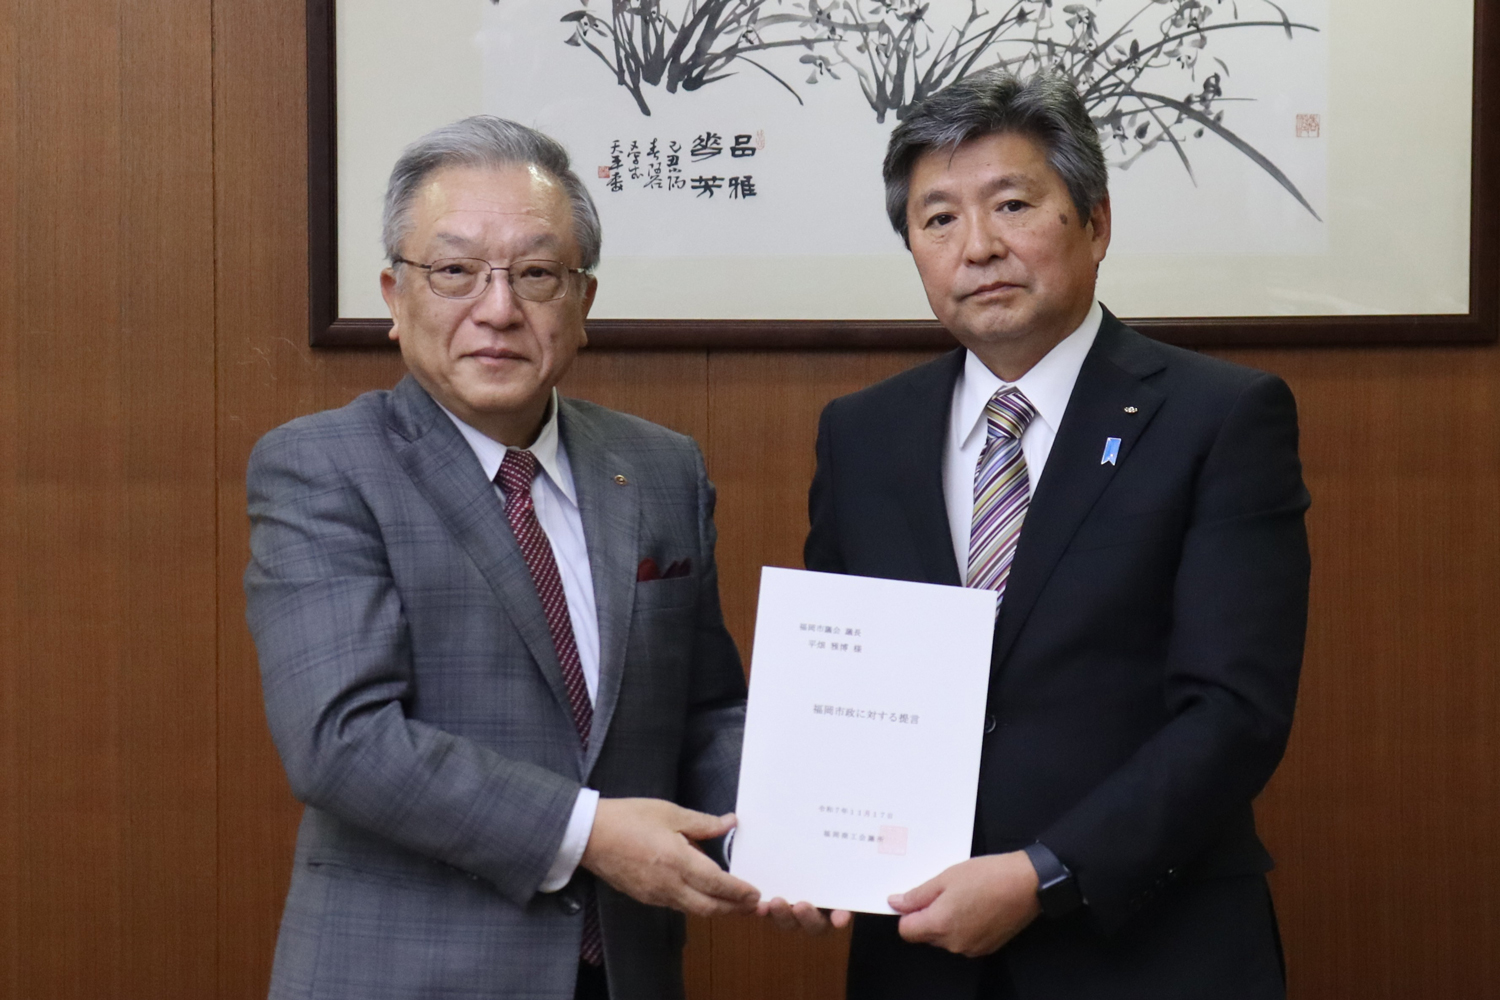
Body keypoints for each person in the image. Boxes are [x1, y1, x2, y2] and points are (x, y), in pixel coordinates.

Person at [769, 70, 1311, 998]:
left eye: (1012, 205)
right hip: (919, 951)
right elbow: (842, 687)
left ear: (1095, 223)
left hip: (1147, 950)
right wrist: (810, 844)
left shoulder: (1220, 417)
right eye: (939, 219)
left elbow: (1234, 714)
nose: (978, 247)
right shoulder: (863, 434)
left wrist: (1047, 874)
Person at [244, 116, 758, 1000]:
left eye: (536, 274)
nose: (498, 310)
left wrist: (787, 841)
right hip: (410, 978)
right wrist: (590, 834)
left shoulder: (662, 467)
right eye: (454, 272)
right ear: (394, 298)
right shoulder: (323, 467)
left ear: (582, 303)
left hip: (624, 972)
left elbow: (708, 711)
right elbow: (343, 741)